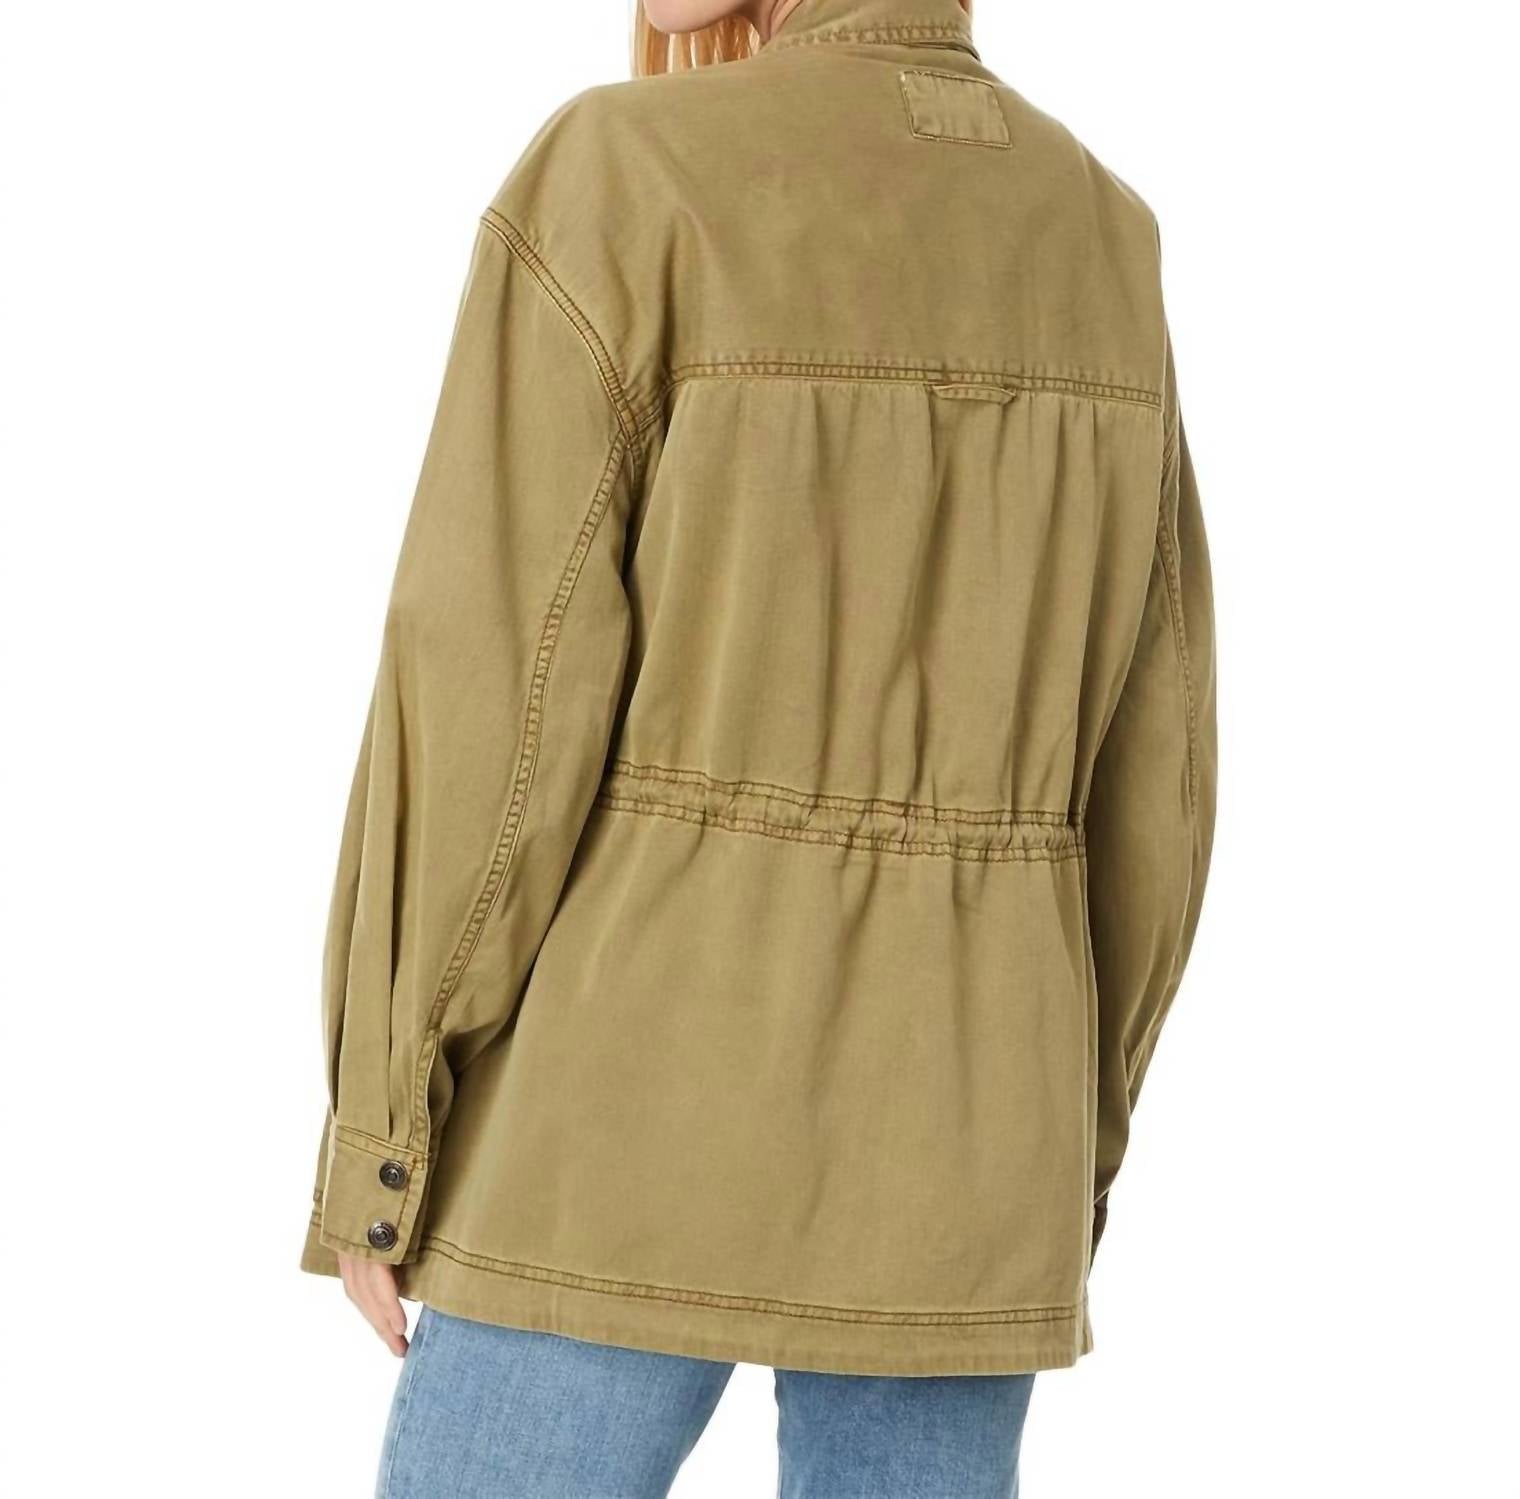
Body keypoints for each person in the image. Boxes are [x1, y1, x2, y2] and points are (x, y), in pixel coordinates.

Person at [298, 0, 1218, 1492]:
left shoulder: (627, 172)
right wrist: (1067, 1148)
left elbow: (494, 694)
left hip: (616, 1124)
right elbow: (1155, 786)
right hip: (969, 1143)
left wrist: (387, 1128)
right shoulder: (1103, 231)